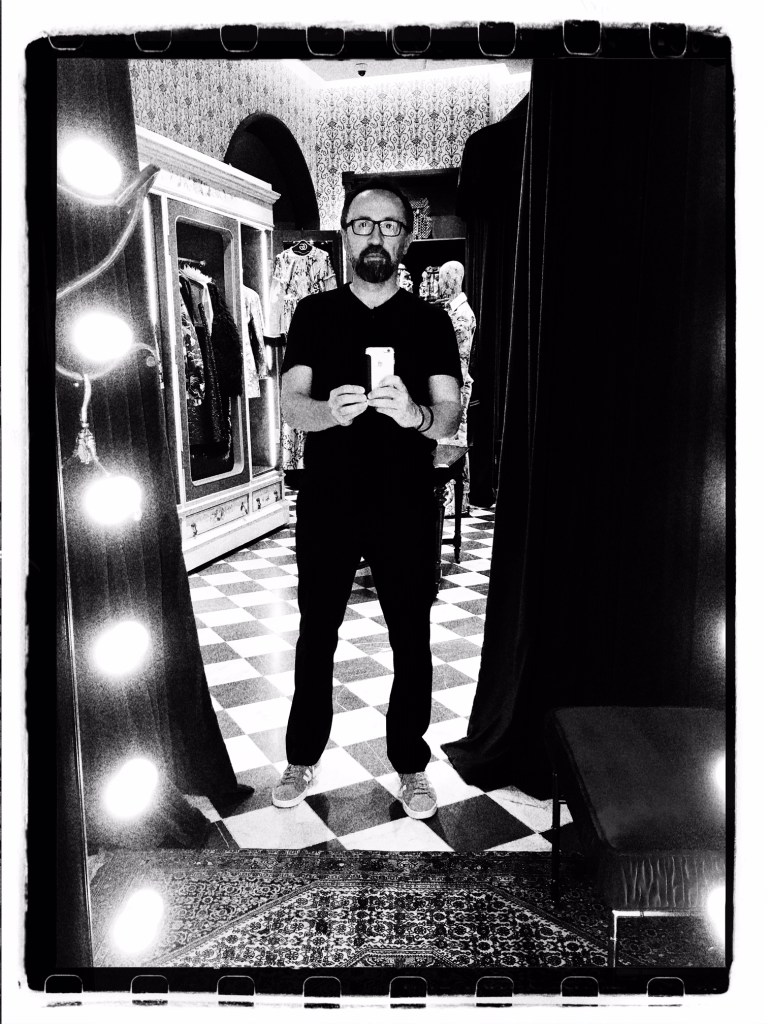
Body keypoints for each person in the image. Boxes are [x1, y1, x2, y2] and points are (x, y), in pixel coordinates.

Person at [272, 177, 463, 819]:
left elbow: (449, 414)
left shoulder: (430, 321)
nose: (374, 236)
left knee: (411, 635)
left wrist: (414, 415)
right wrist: (328, 410)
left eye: (388, 225)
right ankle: (301, 756)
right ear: (344, 236)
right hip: (328, 500)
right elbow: (291, 406)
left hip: (406, 501)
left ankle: (410, 764)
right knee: (315, 632)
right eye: (362, 224)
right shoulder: (313, 315)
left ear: (407, 239)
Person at [436, 261, 476, 516]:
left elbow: (457, 356)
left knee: (454, 441)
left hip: (456, 384)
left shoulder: (461, 314)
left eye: (443, 278)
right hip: (452, 382)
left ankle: (455, 501)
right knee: (450, 438)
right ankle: (453, 499)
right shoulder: (452, 310)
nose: (440, 283)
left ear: (453, 279)